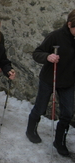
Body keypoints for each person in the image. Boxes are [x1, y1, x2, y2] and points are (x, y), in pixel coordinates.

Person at [26, 10, 75, 156]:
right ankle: (31, 130)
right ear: (69, 24)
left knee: (67, 112)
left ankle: (59, 141)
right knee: (40, 107)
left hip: (69, 81)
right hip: (49, 78)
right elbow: (37, 53)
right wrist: (48, 57)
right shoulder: (55, 36)